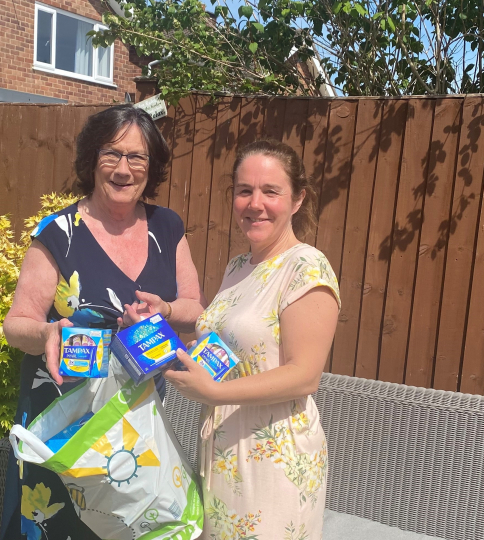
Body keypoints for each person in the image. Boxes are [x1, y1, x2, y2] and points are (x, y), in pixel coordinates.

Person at [0, 105, 205, 540]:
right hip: (67, 429)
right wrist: (48, 332)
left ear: (152, 167)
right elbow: (16, 323)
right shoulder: (58, 232)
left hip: (135, 425)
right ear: (92, 159)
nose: (124, 169)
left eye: (138, 157)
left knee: (131, 524)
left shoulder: (166, 228)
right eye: (112, 154)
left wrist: (164, 311)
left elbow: (193, 310)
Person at [164, 139, 341, 539]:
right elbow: (229, 347)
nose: (254, 203)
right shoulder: (239, 266)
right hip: (223, 448)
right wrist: (167, 315)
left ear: (297, 200)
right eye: (244, 191)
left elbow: (304, 376)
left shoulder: (306, 267)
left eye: (270, 191)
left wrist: (213, 393)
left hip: (274, 456)